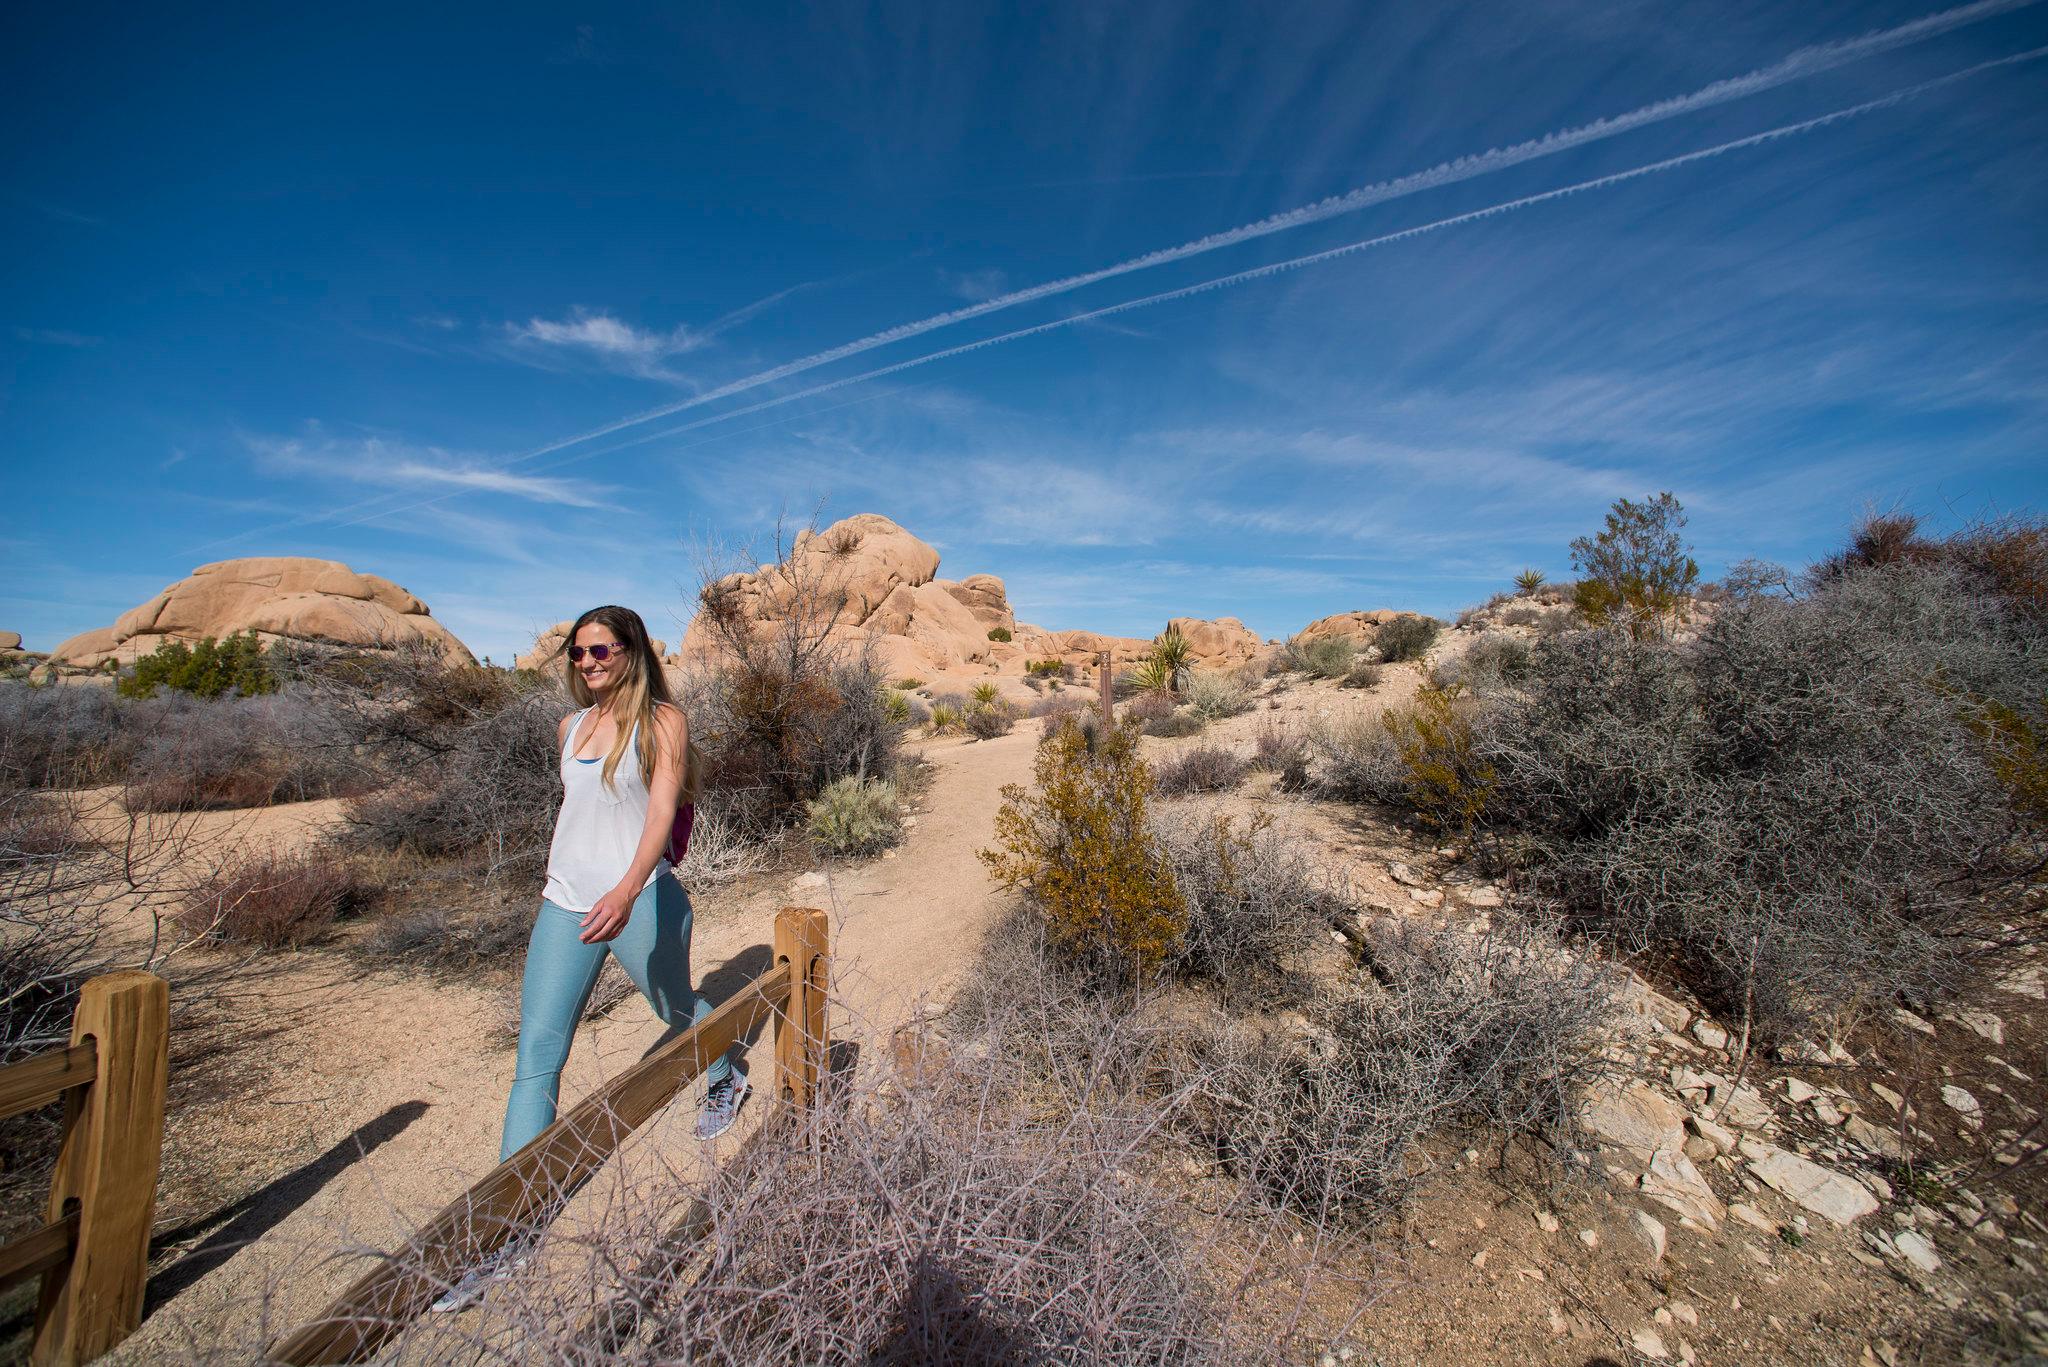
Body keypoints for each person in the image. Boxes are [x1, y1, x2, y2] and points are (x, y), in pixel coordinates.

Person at [435, 604, 743, 1311]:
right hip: (566, 903)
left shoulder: (664, 721)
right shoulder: (568, 727)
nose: (588, 663)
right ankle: (506, 1230)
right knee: (537, 1057)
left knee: (674, 1006)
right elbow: (577, 815)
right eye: (578, 653)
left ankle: (725, 1076)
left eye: (600, 650)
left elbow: (660, 813)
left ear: (630, 650)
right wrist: (573, 887)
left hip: (641, 899)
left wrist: (629, 888)